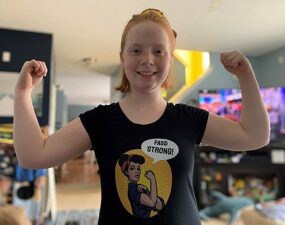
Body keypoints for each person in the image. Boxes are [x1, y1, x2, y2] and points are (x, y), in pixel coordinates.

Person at [13, 8, 270, 225]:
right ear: (122, 57)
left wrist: (246, 77)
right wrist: (23, 92)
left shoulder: (188, 119)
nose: (147, 59)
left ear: (170, 59)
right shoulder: (100, 122)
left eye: (158, 51)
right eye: (136, 51)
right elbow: (33, 155)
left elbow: (255, 137)